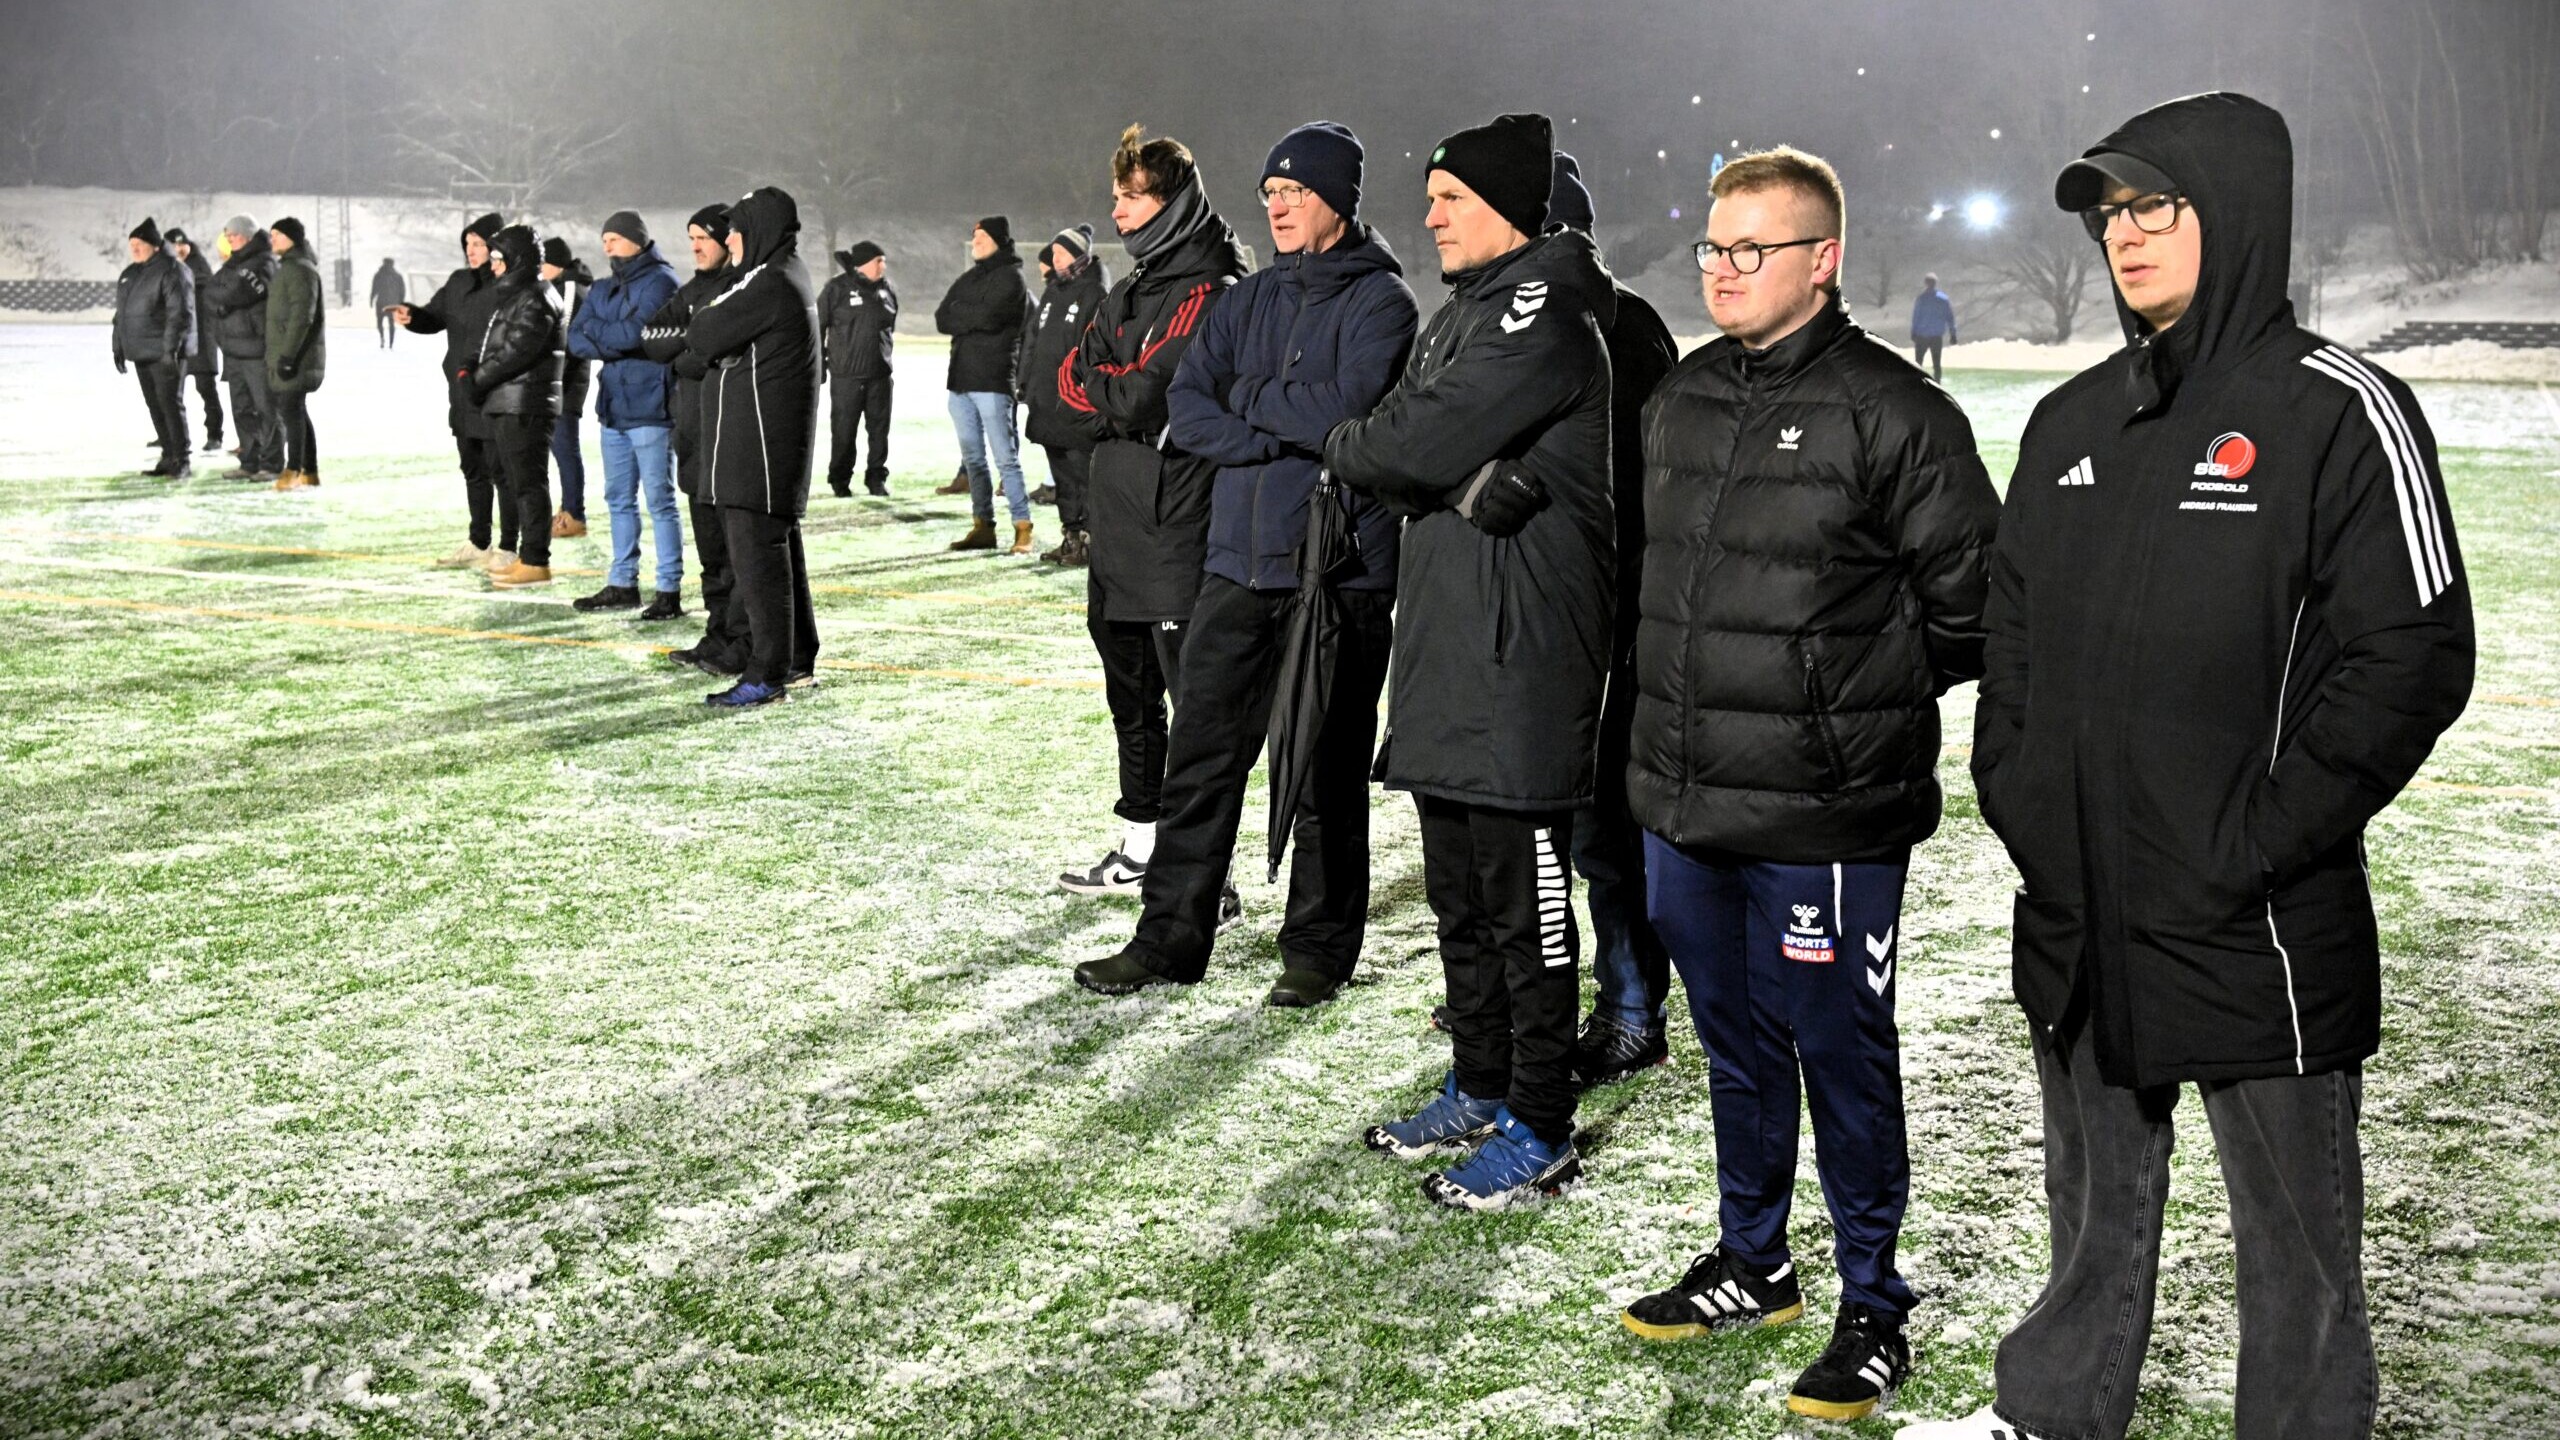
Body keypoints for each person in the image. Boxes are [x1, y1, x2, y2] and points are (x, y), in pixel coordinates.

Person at [1897, 92, 2475, 1440]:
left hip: (2255, 916)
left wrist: (2250, 838)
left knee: (2298, 1249)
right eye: (2110, 214)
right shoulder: (2071, 420)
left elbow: (2412, 658)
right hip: (2083, 902)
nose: (2124, 237)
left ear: (2240, 214)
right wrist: (2027, 801)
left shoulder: (2337, 410)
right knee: (2091, 1208)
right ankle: (2052, 1414)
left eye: (2155, 206)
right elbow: (2015, 639)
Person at [1612, 145, 1999, 1423]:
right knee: (1733, 1046)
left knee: (1840, 1054)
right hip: (1685, 802)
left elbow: (1971, 616)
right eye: (1712, 247)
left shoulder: (1898, 416)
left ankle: (1874, 1307)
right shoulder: (1680, 397)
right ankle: (1752, 1262)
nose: (1720, 271)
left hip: (1822, 816)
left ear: (1821, 261)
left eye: (1749, 250)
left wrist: (1841, 712)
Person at [1324, 112, 1616, 1211]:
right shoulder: (1466, 313)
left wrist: (1407, 462)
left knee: (1526, 905)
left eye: (1449, 199)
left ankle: (1541, 1123)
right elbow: (1392, 433)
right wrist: (1431, 471)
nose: (1430, 215)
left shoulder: (1541, 310)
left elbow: (1391, 443)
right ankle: (1480, 1082)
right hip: (1450, 644)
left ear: (1505, 207)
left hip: (1523, 656)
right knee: (1457, 895)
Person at [1070, 122, 1417, 1007]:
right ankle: (1169, 938)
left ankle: (1317, 952)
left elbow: (1349, 409)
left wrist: (1253, 409)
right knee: (1201, 762)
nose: (1278, 206)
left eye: (1295, 192)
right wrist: (1289, 426)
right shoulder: (1247, 299)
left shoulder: (1385, 304)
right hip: (1233, 564)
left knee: (1325, 773)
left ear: (1338, 198)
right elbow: (1189, 411)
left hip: (1334, 573)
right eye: (1269, 193)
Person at [1051, 125, 1248, 896]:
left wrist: (1112, 391)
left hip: (1174, 523)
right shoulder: (1129, 287)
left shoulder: (1211, 285)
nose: (1121, 213)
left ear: (1172, 202)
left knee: (1194, 708)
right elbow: (1069, 388)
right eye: (1117, 198)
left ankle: (1210, 878)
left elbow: (1141, 392)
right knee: (1129, 697)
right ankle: (1141, 845)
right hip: (1120, 519)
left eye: (1134, 198)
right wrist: (1115, 392)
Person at [1544, 150, 1683, 1088]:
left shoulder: (1621, 329)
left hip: (1612, 615)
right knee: (1553, 826)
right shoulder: (1512, 323)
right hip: (1554, 612)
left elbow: (1638, 487)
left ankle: (1632, 1007)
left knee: (1606, 832)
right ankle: (1552, 988)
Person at [682, 186, 822, 708]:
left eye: (737, 228)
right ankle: (797, 660)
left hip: (757, 451)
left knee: (760, 564)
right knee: (782, 559)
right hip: (765, 450)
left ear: (758, 230)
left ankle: (767, 674)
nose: (730, 240)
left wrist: (712, 345)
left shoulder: (767, 282)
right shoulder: (785, 274)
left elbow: (704, 330)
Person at [644, 204, 749, 675]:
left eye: (702, 238)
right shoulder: (691, 290)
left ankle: (740, 643)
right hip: (691, 438)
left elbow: (716, 345)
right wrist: (693, 341)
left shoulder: (738, 289)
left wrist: (688, 345)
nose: (696, 247)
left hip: (726, 437)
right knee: (710, 554)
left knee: (735, 556)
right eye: (691, 240)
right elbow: (651, 336)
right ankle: (717, 634)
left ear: (726, 239)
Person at [567, 210, 686, 620]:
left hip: (651, 406)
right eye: (604, 240)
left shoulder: (662, 282)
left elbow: (637, 334)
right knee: (618, 498)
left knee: (660, 500)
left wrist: (603, 333)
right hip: (614, 407)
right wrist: (614, 337)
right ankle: (623, 583)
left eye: (614, 239)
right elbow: (574, 338)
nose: (607, 247)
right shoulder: (603, 287)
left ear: (637, 240)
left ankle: (668, 589)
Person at [394, 213, 514, 570]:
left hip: (494, 392)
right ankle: (479, 541)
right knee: (473, 469)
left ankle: (508, 546)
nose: (471, 251)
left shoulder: (507, 285)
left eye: (479, 244)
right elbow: (435, 316)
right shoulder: (459, 282)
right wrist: (413, 316)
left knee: (502, 472)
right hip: (461, 393)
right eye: (468, 244)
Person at [465, 224, 565, 584]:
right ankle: (528, 555)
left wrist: (478, 380)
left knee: (528, 484)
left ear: (515, 260)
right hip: (511, 401)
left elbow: (516, 351)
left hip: (524, 404)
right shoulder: (520, 295)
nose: (492, 266)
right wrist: (471, 369)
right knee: (517, 482)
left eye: (497, 259)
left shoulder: (535, 297)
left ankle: (535, 560)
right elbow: (496, 346)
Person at [936, 216, 1036, 553]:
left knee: (1005, 458)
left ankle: (1023, 527)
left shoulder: (1012, 279)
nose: (975, 240)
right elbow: (941, 317)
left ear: (998, 240)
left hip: (992, 380)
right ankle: (983, 526)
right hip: (960, 381)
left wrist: (964, 315)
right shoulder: (969, 278)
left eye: (982, 236)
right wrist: (970, 315)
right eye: (974, 235)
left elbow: (991, 317)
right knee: (974, 460)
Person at [1020, 224, 1108, 565]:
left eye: (1060, 252)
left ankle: (1089, 541)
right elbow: (1033, 341)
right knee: (1061, 478)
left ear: (1078, 255)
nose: (1053, 259)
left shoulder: (1094, 295)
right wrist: (1025, 382)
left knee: (1080, 476)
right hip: (1046, 403)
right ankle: (1070, 538)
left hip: (1074, 405)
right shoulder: (1052, 294)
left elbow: (1096, 351)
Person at [112, 217, 196, 479]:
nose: (135, 249)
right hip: (142, 352)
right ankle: (168, 456)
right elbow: (121, 315)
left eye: (140, 244)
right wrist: (119, 345)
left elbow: (179, 314)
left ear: (155, 246)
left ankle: (181, 459)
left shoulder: (172, 270)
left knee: (170, 404)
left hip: (164, 352)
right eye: (132, 244)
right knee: (155, 406)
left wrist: (170, 350)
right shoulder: (130, 274)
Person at [819, 239, 898, 497]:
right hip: (847, 377)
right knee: (843, 432)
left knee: (879, 432)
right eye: (879, 261)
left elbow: (889, 329)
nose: (883, 266)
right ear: (864, 264)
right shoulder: (836, 289)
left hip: (880, 375)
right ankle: (840, 480)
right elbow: (817, 327)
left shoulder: (887, 291)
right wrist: (820, 364)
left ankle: (876, 478)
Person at [205, 217, 281, 482]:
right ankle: (249, 460)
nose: (230, 240)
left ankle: (272, 464)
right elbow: (210, 292)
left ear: (248, 236)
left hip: (257, 348)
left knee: (267, 408)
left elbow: (238, 292)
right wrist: (223, 299)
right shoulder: (233, 264)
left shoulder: (264, 261)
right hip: (233, 349)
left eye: (234, 235)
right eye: (228, 236)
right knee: (241, 409)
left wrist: (224, 299)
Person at [263, 217, 328, 491]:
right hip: (289, 354)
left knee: (291, 411)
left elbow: (302, 317)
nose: (272, 240)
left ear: (292, 238)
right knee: (296, 410)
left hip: (297, 357)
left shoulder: (301, 270)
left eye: (276, 234)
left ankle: (294, 469)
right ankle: (310, 472)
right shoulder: (289, 268)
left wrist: (289, 356)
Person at [542, 235, 595, 538]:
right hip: (560, 382)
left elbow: (566, 338)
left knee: (565, 449)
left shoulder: (571, 289)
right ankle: (568, 510)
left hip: (567, 384)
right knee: (560, 449)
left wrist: (553, 378)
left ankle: (574, 514)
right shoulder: (561, 286)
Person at [164, 228, 224, 455]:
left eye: (180, 245)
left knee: (205, 388)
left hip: (202, 338)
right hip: (182, 338)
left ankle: (215, 435)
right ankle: (171, 434)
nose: (178, 250)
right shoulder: (172, 269)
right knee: (171, 389)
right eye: (173, 246)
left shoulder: (198, 268)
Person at [1910, 273, 1956, 380]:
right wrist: (1953, 333)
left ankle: (1917, 385)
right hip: (1936, 336)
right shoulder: (1943, 299)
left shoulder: (1921, 299)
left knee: (1918, 363)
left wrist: (1913, 332)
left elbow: (1916, 317)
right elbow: (1950, 317)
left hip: (1922, 335)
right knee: (1936, 364)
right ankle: (1937, 384)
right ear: (1935, 283)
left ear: (1926, 283)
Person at [371, 257, 405, 349]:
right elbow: (402, 291)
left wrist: (371, 299)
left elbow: (374, 289)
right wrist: (401, 302)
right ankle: (391, 343)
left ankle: (382, 338)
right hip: (392, 303)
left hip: (381, 302)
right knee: (391, 323)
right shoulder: (397, 276)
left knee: (379, 322)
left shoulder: (378, 275)